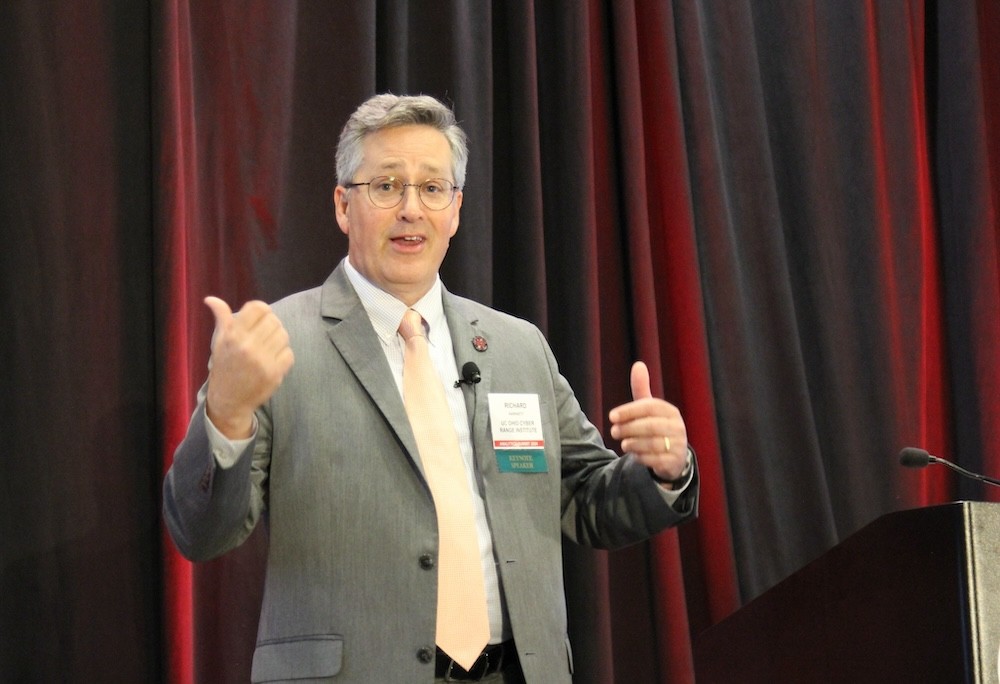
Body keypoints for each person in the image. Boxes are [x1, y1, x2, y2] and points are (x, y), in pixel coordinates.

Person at [163, 93, 698, 683]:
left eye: (432, 188)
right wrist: (226, 414)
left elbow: (587, 500)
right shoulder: (277, 343)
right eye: (386, 186)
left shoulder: (518, 348)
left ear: (456, 210)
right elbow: (200, 532)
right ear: (344, 205)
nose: (411, 209)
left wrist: (664, 471)